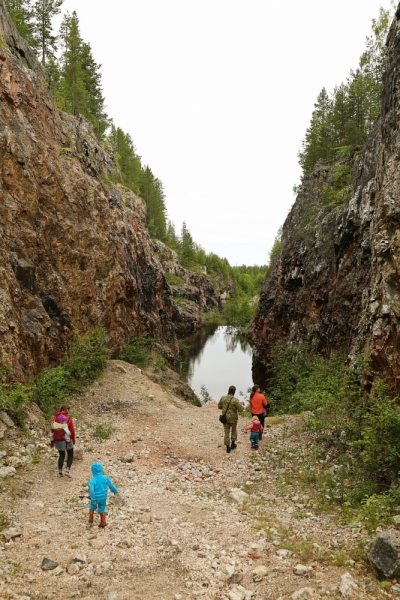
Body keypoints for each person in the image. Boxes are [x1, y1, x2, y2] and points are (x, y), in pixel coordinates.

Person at [88, 462, 118, 528]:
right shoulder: (105, 478)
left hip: (95, 498)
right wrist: (115, 491)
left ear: (92, 470)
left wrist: (93, 498)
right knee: (102, 508)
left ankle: (91, 518)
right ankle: (103, 522)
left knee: (92, 506)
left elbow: (91, 491)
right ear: (101, 469)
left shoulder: (92, 481)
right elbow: (111, 485)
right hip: (103, 497)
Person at [218, 385, 244, 453]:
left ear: (228, 390)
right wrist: (242, 404)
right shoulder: (235, 400)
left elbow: (219, 406)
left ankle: (227, 447)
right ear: (234, 392)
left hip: (225, 418)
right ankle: (233, 444)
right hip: (233, 419)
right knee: (234, 431)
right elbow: (240, 409)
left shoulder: (223, 398)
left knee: (226, 432)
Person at [51, 404, 75, 477]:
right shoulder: (68, 418)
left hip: (58, 439)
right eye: (68, 409)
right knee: (70, 454)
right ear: (66, 410)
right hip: (67, 439)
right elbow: (72, 431)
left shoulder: (55, 418)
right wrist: (73, 439)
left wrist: (53, 439)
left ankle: (60, 472)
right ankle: (67, 470)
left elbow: (52, 429)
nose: (68, 411)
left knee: (61, 455)